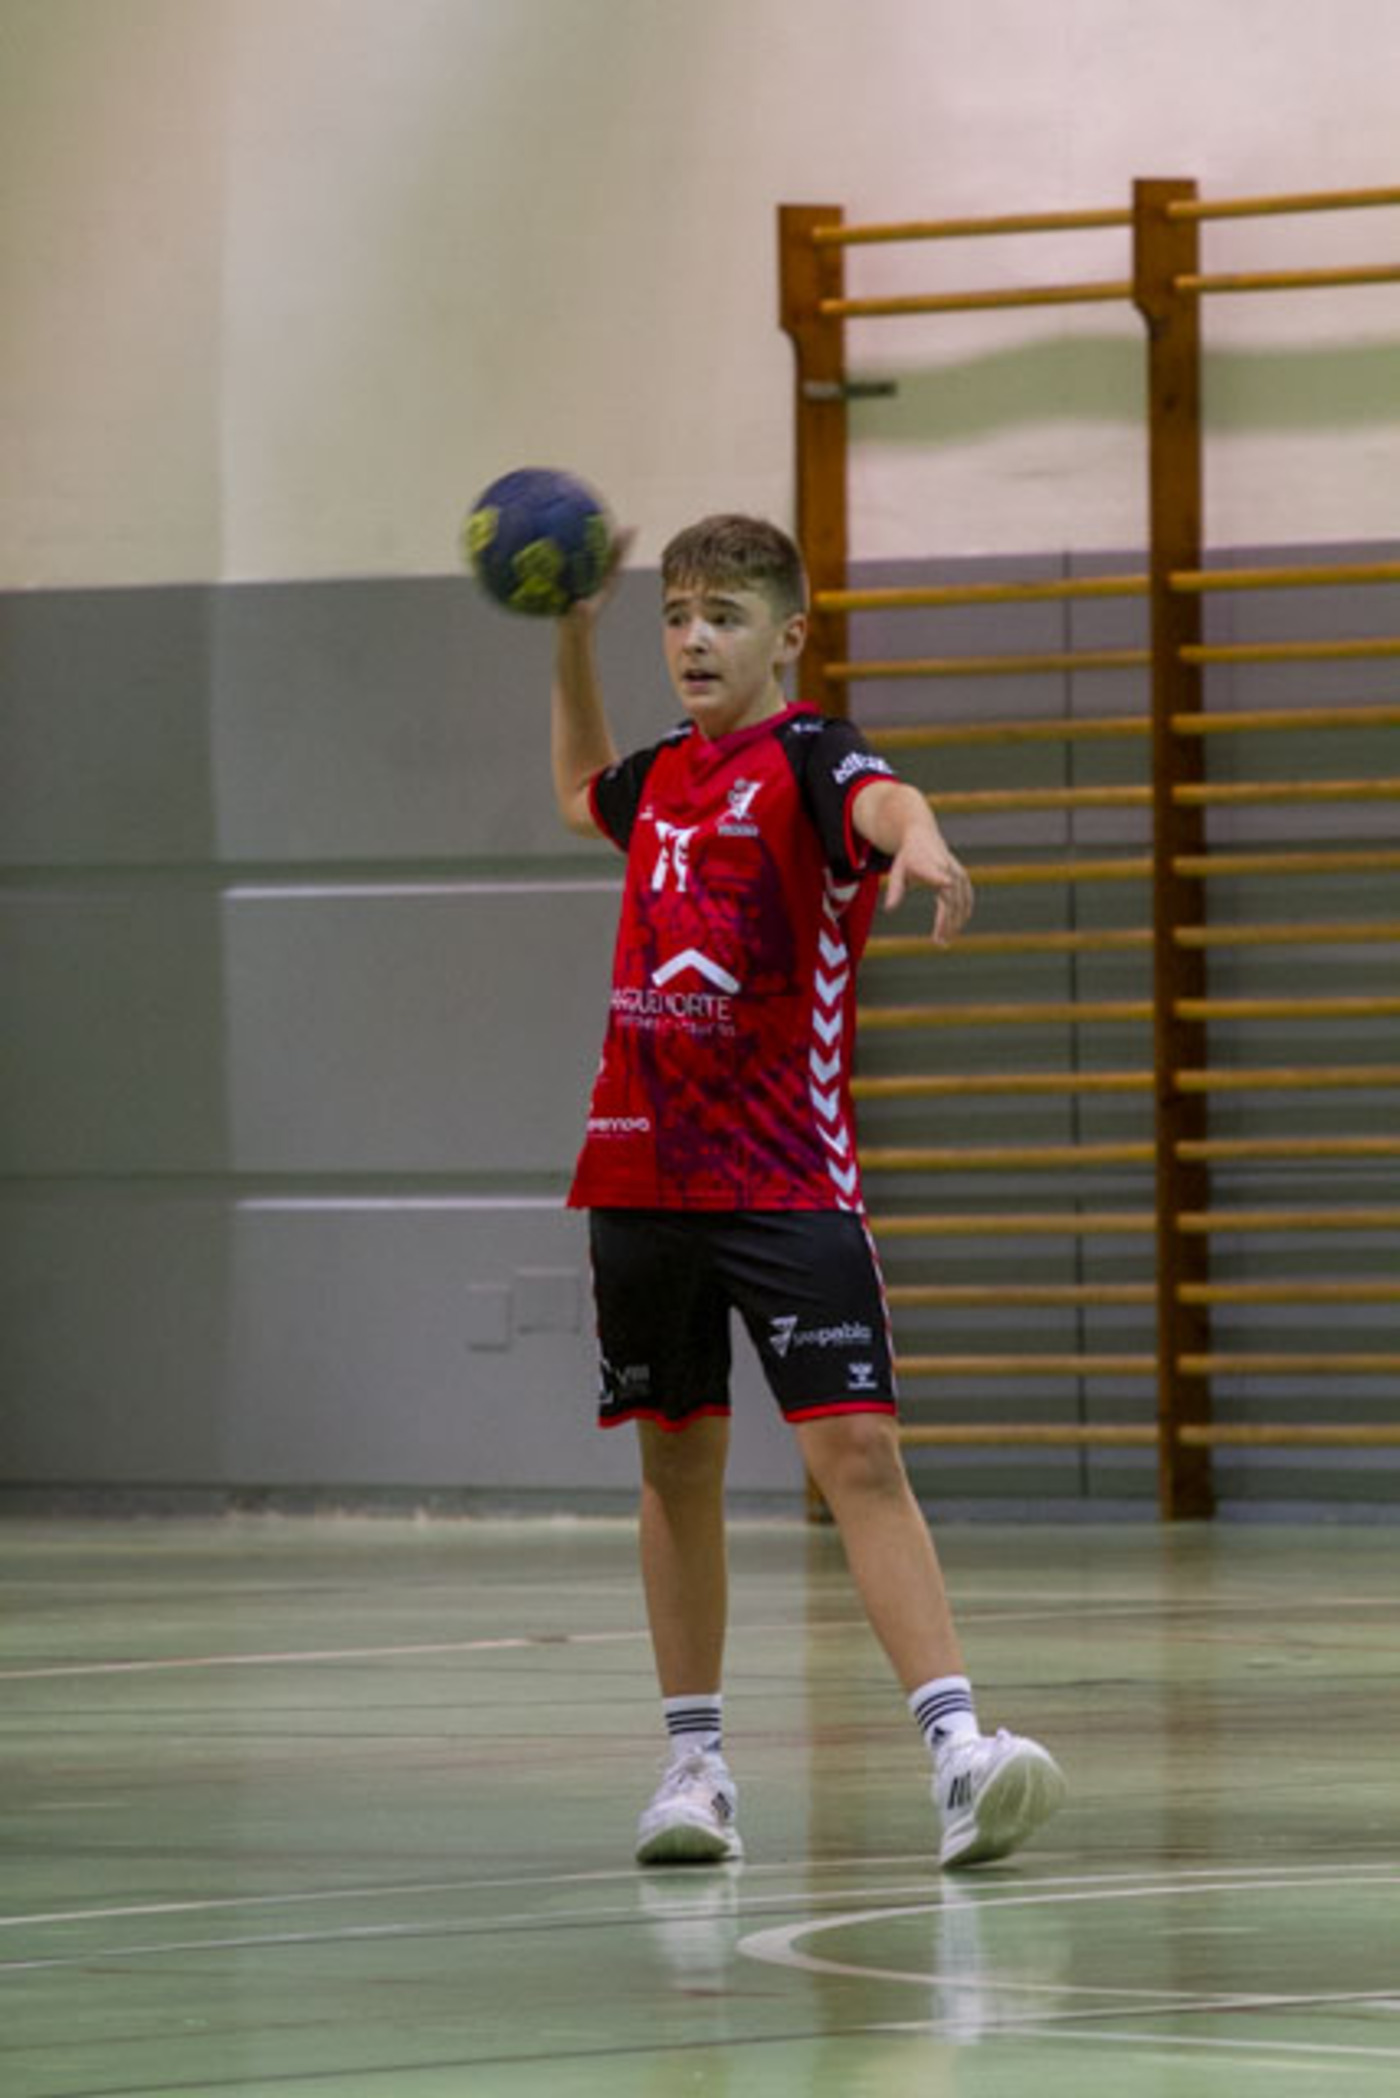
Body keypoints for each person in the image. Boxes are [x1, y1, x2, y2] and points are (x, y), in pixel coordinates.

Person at [550, 512, 1064, 1870]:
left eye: (722, 616)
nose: (693, 639)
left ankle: (959, 1751)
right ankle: (695, 1770)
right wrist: (570, 640)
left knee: (857, 1457)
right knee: (676, 1462)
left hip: (785, 1177)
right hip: (638, 1169)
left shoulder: (811, 754)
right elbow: (580, 787)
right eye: (676, 616)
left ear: (787, 634)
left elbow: (883, 799)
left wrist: (924, 843)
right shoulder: (660, 777)